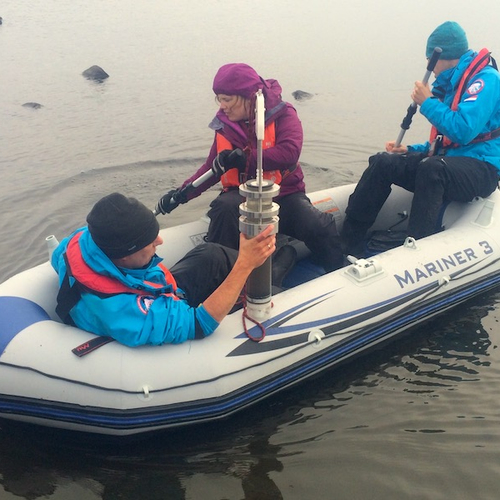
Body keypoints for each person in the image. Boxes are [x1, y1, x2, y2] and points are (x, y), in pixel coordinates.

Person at [155, 63, 343, 272]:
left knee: (318, 226)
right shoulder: (225, 125)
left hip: (285, 195)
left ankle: (334, 270)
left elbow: (290, 152)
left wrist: (244, 159)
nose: (222, 106)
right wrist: (181, 195)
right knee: (224, 208)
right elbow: (212, 168)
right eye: (219, 99)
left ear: (248, 96)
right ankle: (222, 278)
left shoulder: (284, 114)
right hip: (243, 196)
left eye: (227, 99)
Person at [341, 21, 500, 256]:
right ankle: (347, 240)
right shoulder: (450, 85)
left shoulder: (486, 81)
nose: (428, 65)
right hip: (448, 163)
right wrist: (410, 149)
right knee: (383, 161)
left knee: (432, 168)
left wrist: (427, 102)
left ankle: (416, 249)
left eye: (429, 58)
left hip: (482, 169)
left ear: (443, 55)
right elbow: (445, 142)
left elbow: (463, 131)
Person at [51, 192, 275, 347]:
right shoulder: (126, 311)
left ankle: (278, 256)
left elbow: (57, 257)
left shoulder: (85, 241)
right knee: (247, 270)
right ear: (126, 254)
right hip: (150, 309)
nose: (159, 241)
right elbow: (199, 325)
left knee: (211, 255)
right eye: (149, 241)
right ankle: (278, 279)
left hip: (153, 290)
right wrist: (245, 265)